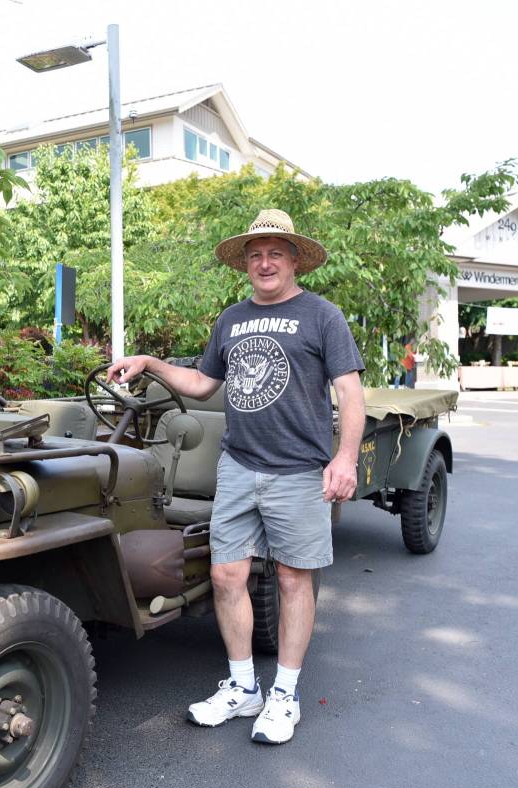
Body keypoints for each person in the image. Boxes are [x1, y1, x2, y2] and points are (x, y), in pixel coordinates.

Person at [107, 209, 365, 744]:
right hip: (239, 465)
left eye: (275, 253)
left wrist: (345, 458)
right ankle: (244, 688)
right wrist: (150, 361)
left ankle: (285, 694)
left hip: (298, 470)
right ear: (245, 263)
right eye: (255, 255)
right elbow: (202, 384)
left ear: (294, 260)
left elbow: (349, 391)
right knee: (227, 577)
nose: (264, 263)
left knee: (294, 579)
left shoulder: (322, 315)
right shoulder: (231, 319)